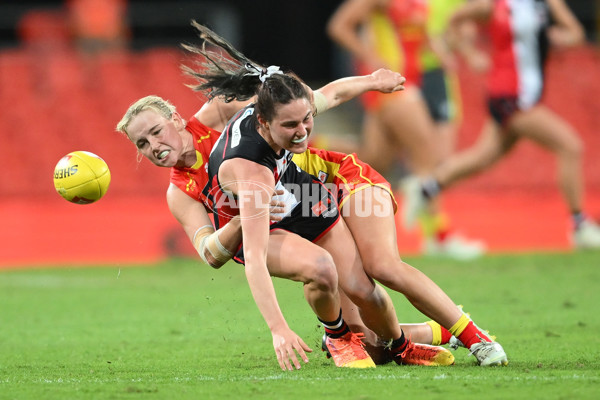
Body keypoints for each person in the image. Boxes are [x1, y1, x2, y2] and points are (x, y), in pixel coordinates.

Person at [403, 0, 600, 250]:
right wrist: (469, 52)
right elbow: (456, 19)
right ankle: (580, 226)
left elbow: (575, 33)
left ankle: (425, 188)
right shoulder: (496, 5)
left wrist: (560, 37)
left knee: (482, 158)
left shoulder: (545, 3)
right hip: (510, 95)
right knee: (570, 145)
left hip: (527, 94)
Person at [326, 0, 485, 260]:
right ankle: (437, 235)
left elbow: (418, 35)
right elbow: (339, 26)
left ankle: (308, 145)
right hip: (392, 85)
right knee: (428, 154)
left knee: (374, 159)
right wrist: (369, 57)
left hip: (408, 81)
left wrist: (443, 54)